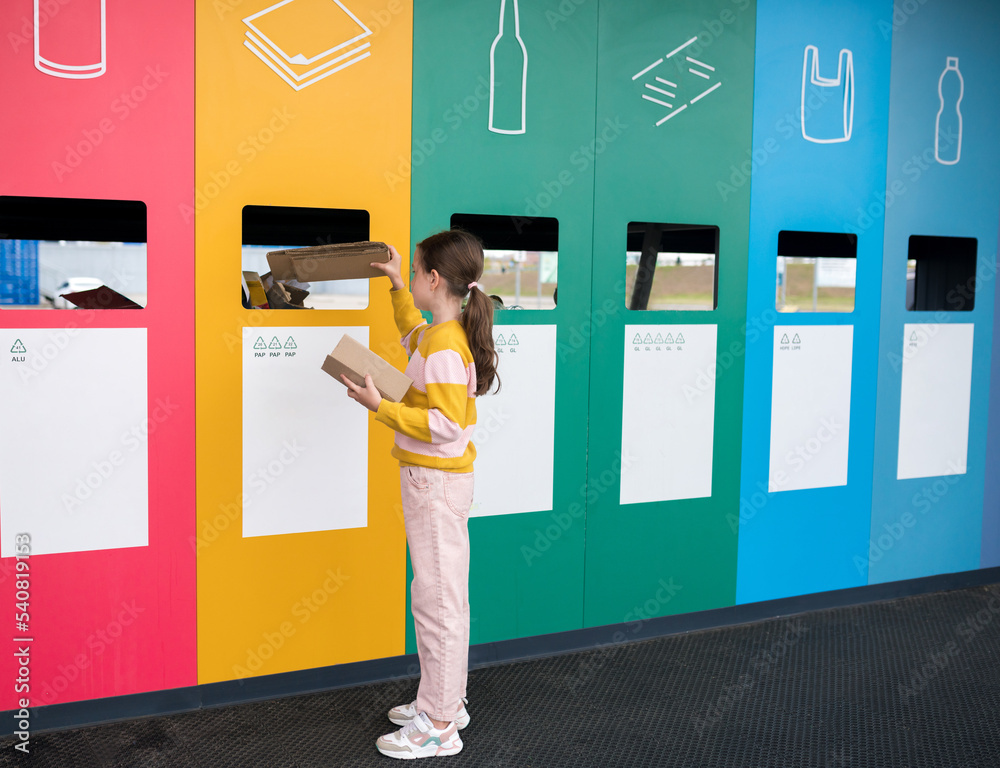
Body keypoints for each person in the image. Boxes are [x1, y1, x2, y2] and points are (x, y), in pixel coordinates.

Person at [341, 229, 499, 759]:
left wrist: (377, 405)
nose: (410, 278)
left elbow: (447, 424)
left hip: (436, 485)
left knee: (438, 605)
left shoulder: (448, 347)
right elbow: (413, 333)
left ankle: (439, 723)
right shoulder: (438, 333)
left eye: (412, 272)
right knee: (437, 598)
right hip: (431, 483)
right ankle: (443, 698)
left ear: (435, 280)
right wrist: (392, 287)